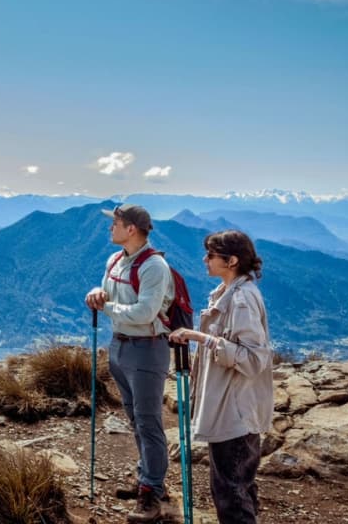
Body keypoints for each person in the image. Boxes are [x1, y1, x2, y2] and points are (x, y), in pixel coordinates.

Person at [169, 230, 273, 524]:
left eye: (211, 254)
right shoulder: (228, 293)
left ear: (232, 261)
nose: (205, 259)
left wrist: (201, 338)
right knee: (237, 487)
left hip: (235, 412)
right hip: (233, 407)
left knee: (230, 493)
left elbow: (253, 359)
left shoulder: (241, 300)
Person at [85, 203, 175, 523]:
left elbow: (145, 313)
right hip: (120, 346)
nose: (110, 227)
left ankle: (151, 494)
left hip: (147, 349)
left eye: (116, 223)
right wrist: (98, 293)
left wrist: (106, 308)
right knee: (136, 419)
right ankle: (148, 478)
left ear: (131, 229)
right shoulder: (115, 260)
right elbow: (108, 293)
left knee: (148, 421)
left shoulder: (154, 267)